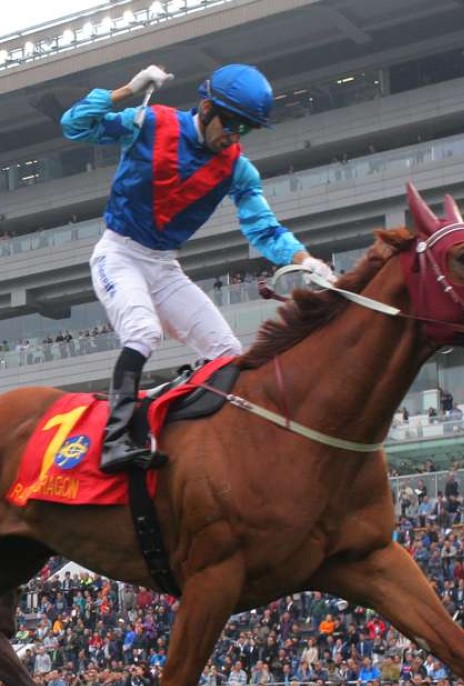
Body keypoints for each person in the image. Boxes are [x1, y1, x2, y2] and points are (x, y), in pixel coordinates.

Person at [61, 64, 332, 472]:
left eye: (246, 129)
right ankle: (115, 441)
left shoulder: (238, 168)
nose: (234, 137)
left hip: (163, 266)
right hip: (118, 254)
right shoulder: (148, 121)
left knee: (228, 354)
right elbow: (75, 126)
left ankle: (200, 441)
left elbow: (263, 228)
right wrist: (127, 90)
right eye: (232, 124)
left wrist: (305, 261)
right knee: (143, 331)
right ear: (206, 108)